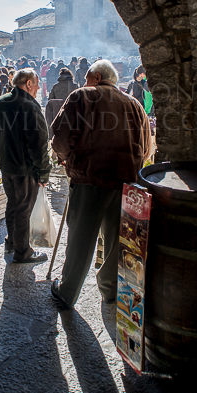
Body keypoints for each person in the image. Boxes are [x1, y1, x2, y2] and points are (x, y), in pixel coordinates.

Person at [50, 59, 152, 310]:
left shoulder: (82, 96)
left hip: (89, 179)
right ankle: (110, 292)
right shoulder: (135, 104)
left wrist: (64, 159)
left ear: (95, 77)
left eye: (87, 78)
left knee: (81, 239)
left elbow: (60, 137)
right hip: (125, 183)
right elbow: (147, 149)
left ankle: (67, 292)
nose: (85, 82)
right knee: (117, 241)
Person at [0, 68, 51, 264]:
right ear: (28, 84)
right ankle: (22, 251)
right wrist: (44, 173)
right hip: (25, 169)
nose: (39, 87)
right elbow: (39, 145)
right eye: (37, 82)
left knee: (13, 204)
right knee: (23, 208)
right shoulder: (30, 107)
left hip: (7, 165)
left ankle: (11, 241)